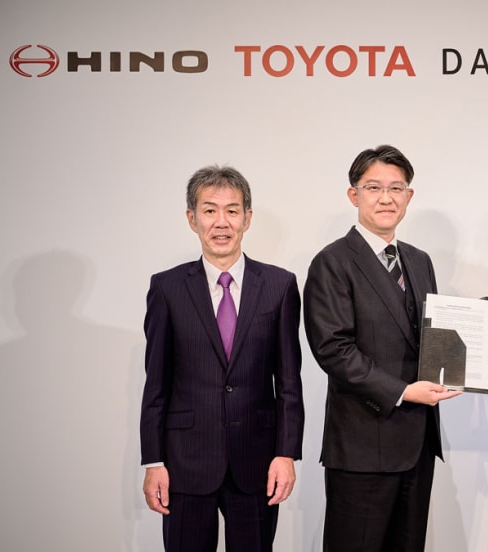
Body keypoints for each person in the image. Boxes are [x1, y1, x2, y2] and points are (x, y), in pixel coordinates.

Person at [303, 144, 462, 552]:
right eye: (374, 187)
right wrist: (403, 391)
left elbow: (433, 334)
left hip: (417, 445)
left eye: (397, 188)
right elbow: (333, 350)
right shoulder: (332, 262)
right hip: (362, 447)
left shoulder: (419, 260)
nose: (386, 198)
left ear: (409, 196)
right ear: (353, 195)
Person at [140, 165, 305, 552]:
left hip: (257, 460)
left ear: (247, 218)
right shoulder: (167, 287)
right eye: (210, 210)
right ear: (192, 218)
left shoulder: (279, 285)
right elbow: (156, 383)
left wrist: (286, 453)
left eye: (232, 210)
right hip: (185, 461)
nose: (221, 222)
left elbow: (289, 382)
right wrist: (153, 461)